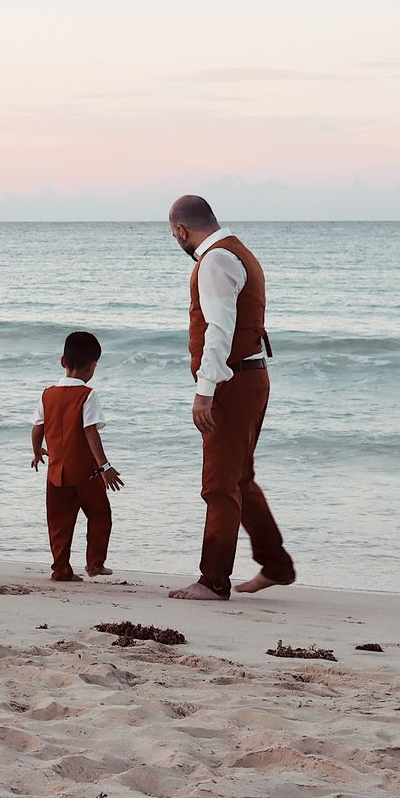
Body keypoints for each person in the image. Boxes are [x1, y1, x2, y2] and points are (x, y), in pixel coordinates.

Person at [164, 195, 298, 601]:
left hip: (233, 382)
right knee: (240, 477)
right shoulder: (239, 251)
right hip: (252, 376)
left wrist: (205, 391)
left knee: (219, 484)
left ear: (181, 231)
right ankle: (276, 565)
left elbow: (218, 330)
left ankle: (213, 581)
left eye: (175, 237)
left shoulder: (215, 261)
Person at [30, 331, 122, 582]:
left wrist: (37, 452)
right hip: (85, 473)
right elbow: (90, 431)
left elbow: (38, 427)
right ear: (92, 367)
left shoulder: (47, 394)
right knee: (100, 514)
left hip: (56, 473)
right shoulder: (87, 394)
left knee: (58, 521)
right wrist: (105, 466)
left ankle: (60, 569)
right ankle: (94, 563)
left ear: (63, 361)